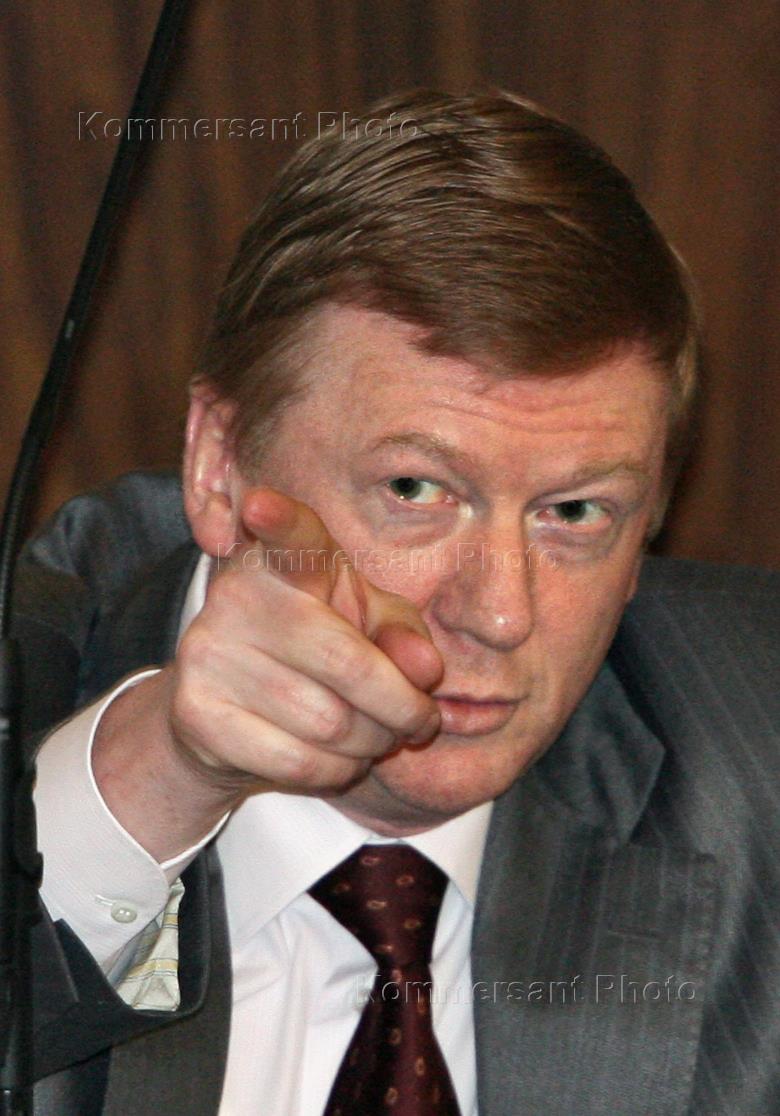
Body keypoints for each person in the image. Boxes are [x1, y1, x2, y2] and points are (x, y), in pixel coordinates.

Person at [16, 90, 780, 1115]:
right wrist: (159, 773)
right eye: (417, 490)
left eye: (574, 512)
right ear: (219, 468)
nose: (499, 613)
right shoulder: (37, 651)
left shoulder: (751, 747)